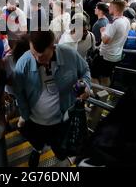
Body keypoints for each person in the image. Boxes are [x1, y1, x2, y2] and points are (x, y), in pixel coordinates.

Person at [13, 30, 91, 167]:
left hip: (62, 120)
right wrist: (24, 115)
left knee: (61, 151)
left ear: (53, 47)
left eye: (41, 56)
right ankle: (37, 149)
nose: (36, 59)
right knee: (37, 142)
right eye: (33, 54)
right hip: (36, 120)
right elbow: (19, 93)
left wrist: (86, 86)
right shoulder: (24, 62)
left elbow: (85, 71)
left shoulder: (69, 54)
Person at [91, 0, 131, 87]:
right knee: (105, 76)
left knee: (93, 76)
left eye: (110, 6)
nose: (108, 8)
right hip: (115, 55)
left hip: (105, 56)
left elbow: (105, 41)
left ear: (115, 8)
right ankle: (104, 97)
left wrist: (102, 32)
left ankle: (98, 97)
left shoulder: (113, 23)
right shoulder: (126, 20)